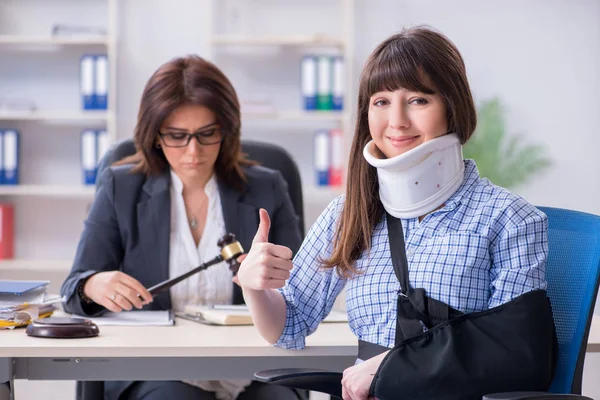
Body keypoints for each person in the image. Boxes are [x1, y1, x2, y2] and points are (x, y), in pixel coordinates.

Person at [237, 26, 557, 400]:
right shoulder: (348, 214)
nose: (398, 121)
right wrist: (253, 287)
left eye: (418, 100)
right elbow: (290, 324)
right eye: (381, 101)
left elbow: (514, 353)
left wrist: (394, 365)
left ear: (453, 107)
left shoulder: (511, 219)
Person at [61, 55, 303, 400]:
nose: (193, 151)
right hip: (155, 371)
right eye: (177, 136)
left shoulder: (268, 187)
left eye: (207, 134)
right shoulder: (121, 187)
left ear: (227, 131)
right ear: (155, 135)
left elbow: (304, 295)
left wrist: (271, 280)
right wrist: (93, 285)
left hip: (252, 369)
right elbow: (73, 288)